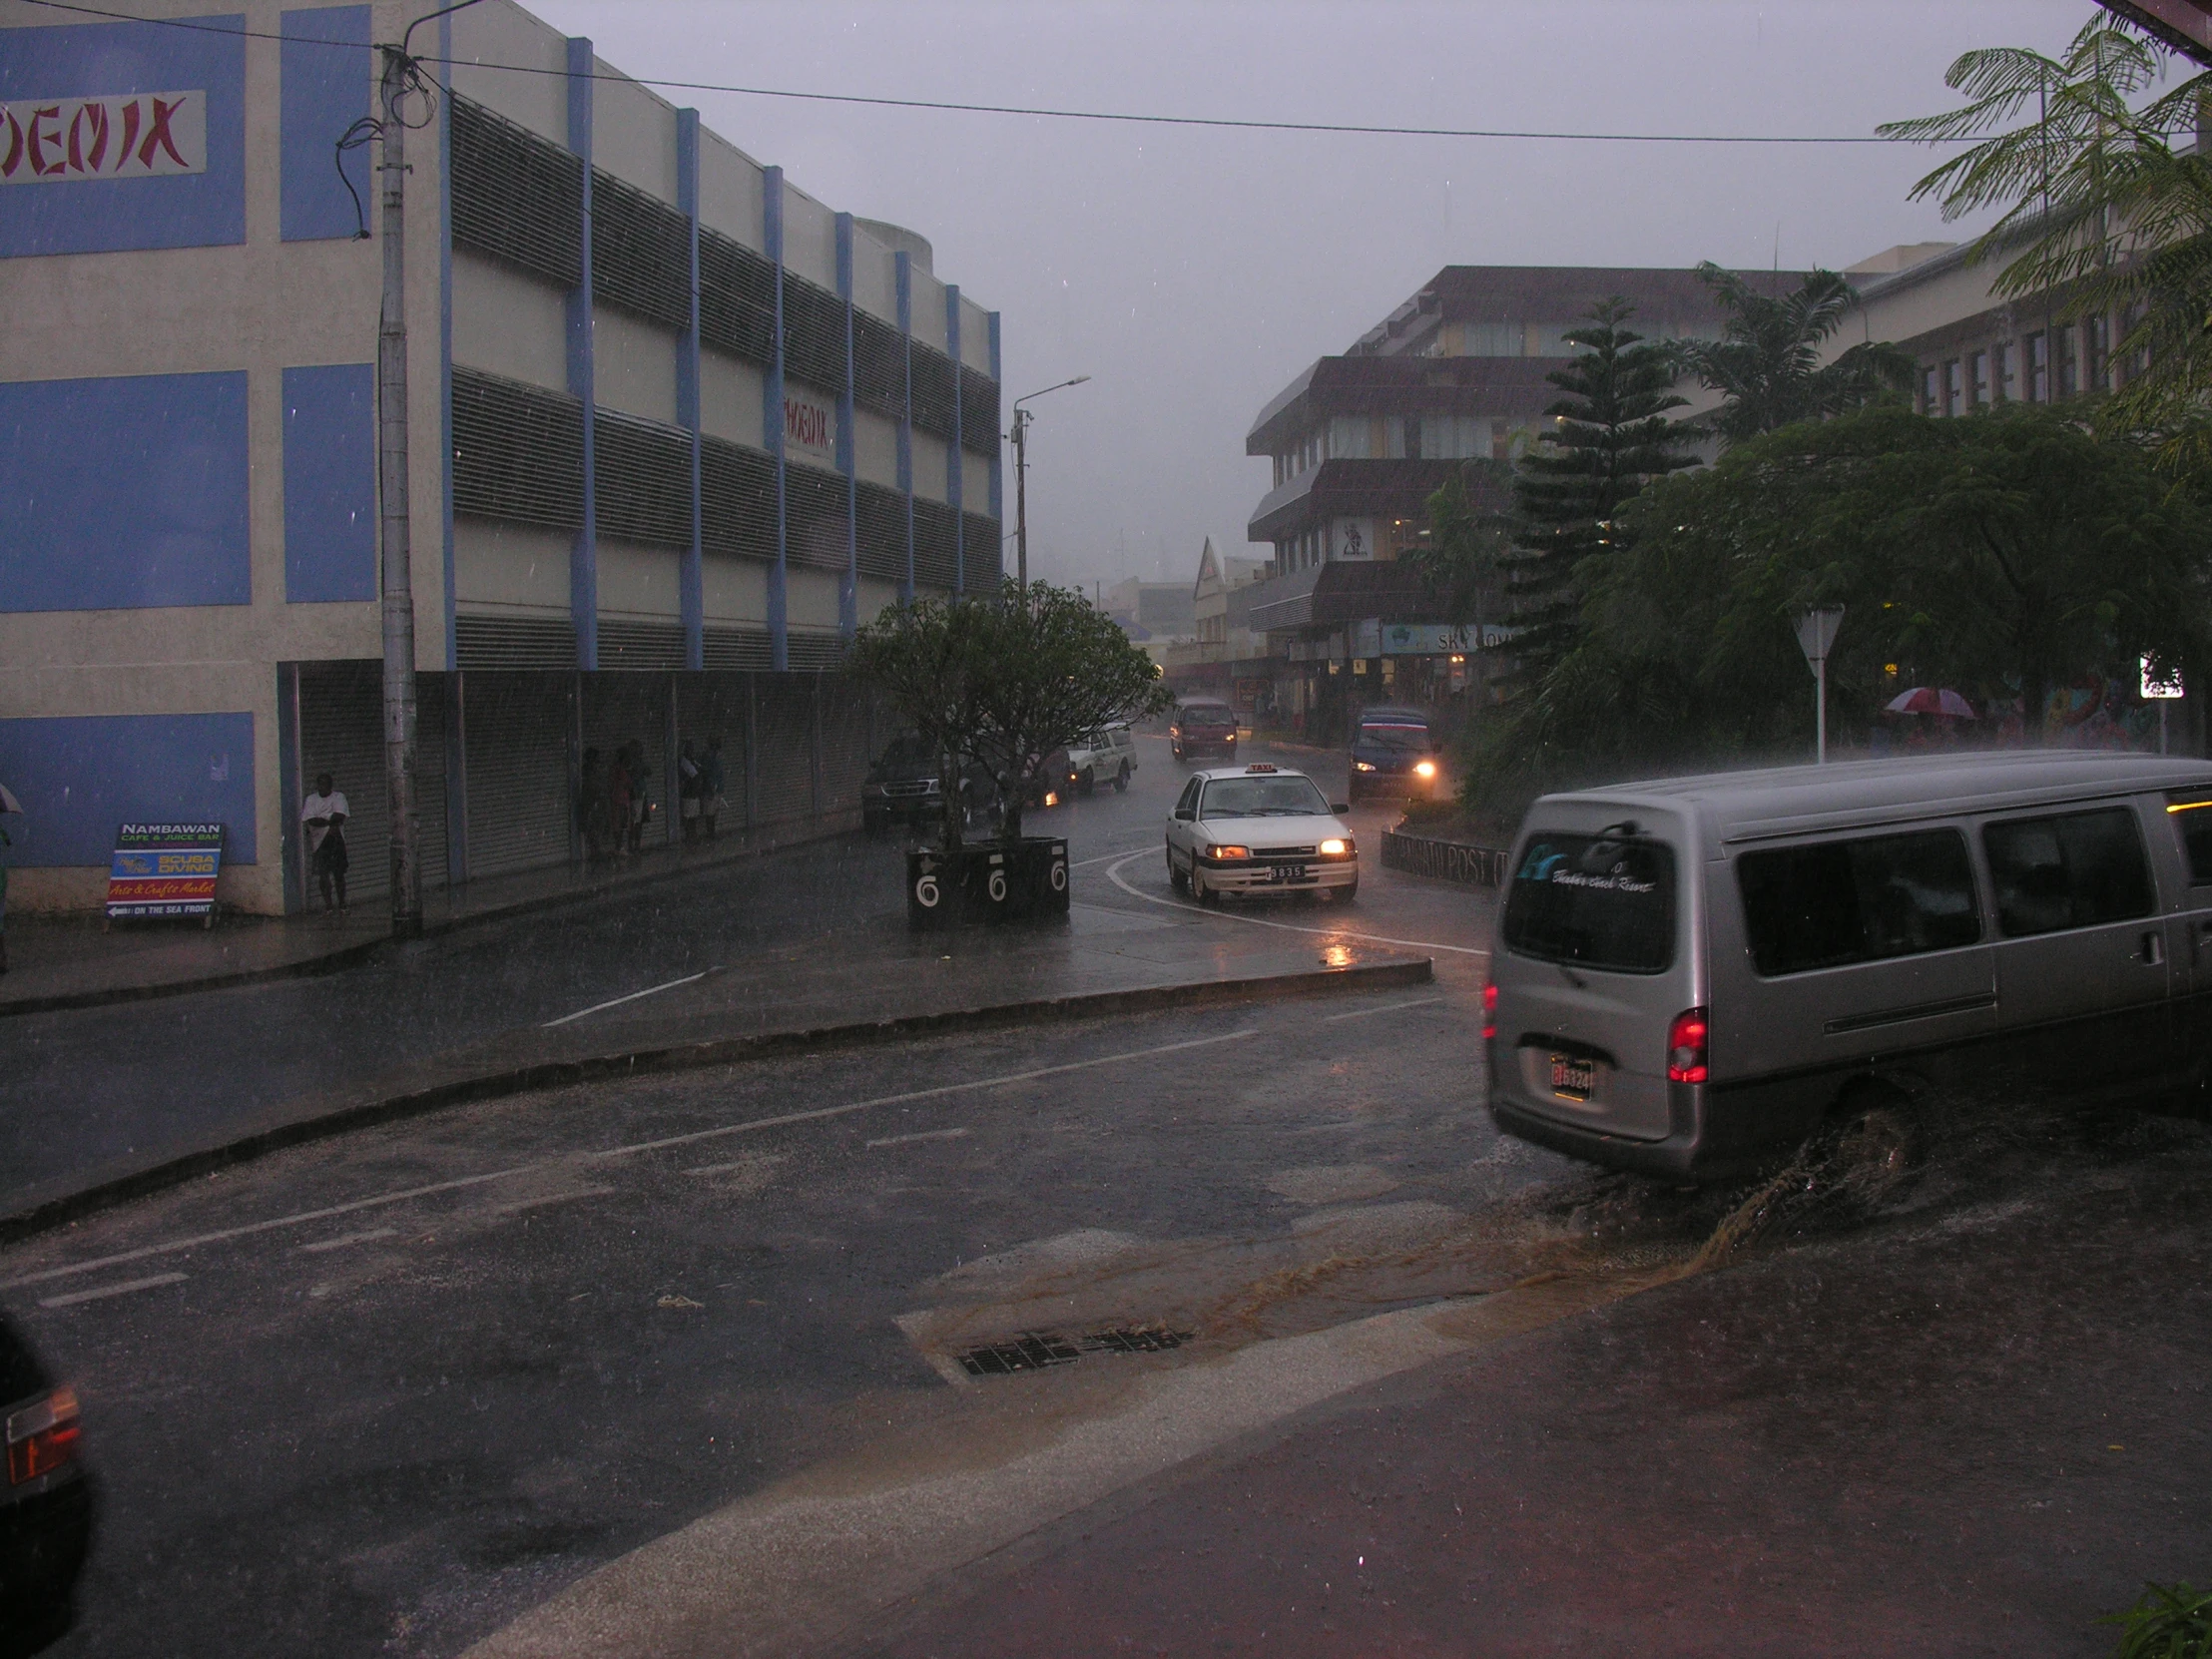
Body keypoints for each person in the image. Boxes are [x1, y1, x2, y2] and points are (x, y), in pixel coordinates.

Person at [301, 772, 349, 913]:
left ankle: (342, 903)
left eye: (326, 784)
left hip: (336, 840)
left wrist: (324, 820)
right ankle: (328, 905)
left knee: (339, 874)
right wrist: (330, 822)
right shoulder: (311, 800)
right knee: (323, 874)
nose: (324, 787)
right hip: (319, 842)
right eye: (321, 784)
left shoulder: (339, 797)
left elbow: (340, 815)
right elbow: (312, 820)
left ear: (331, 785)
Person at [700, 736, 727, 840]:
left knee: (713, 812)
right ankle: (710, 833)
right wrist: (711, 787)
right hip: (711, 789)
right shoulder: (708, 757)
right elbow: (707, 774)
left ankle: (712, 832)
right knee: (710, 813)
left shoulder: (716, 757)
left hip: (717, 788)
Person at [678, 740, 702, 845]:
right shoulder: (684, 762)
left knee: (693, 817)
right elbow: (694, 776)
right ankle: (689, 837)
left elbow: (700, 771)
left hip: (694, 794)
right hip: (689, 793)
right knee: (688, 816)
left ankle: (693, 836)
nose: (692, 751)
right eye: (689, 749)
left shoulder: (692, 761)